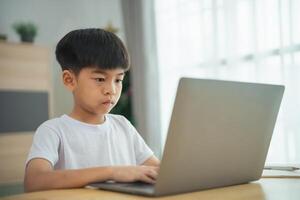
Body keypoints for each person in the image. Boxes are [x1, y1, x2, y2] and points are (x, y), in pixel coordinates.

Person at [24, 28, 160, 192]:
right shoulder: (53, 130)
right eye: (100, 79)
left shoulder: (123, 125)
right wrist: (112, 172)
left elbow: (158, 171)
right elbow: (34, 181)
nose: (111, 89)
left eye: (118, 79)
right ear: (69, 80)